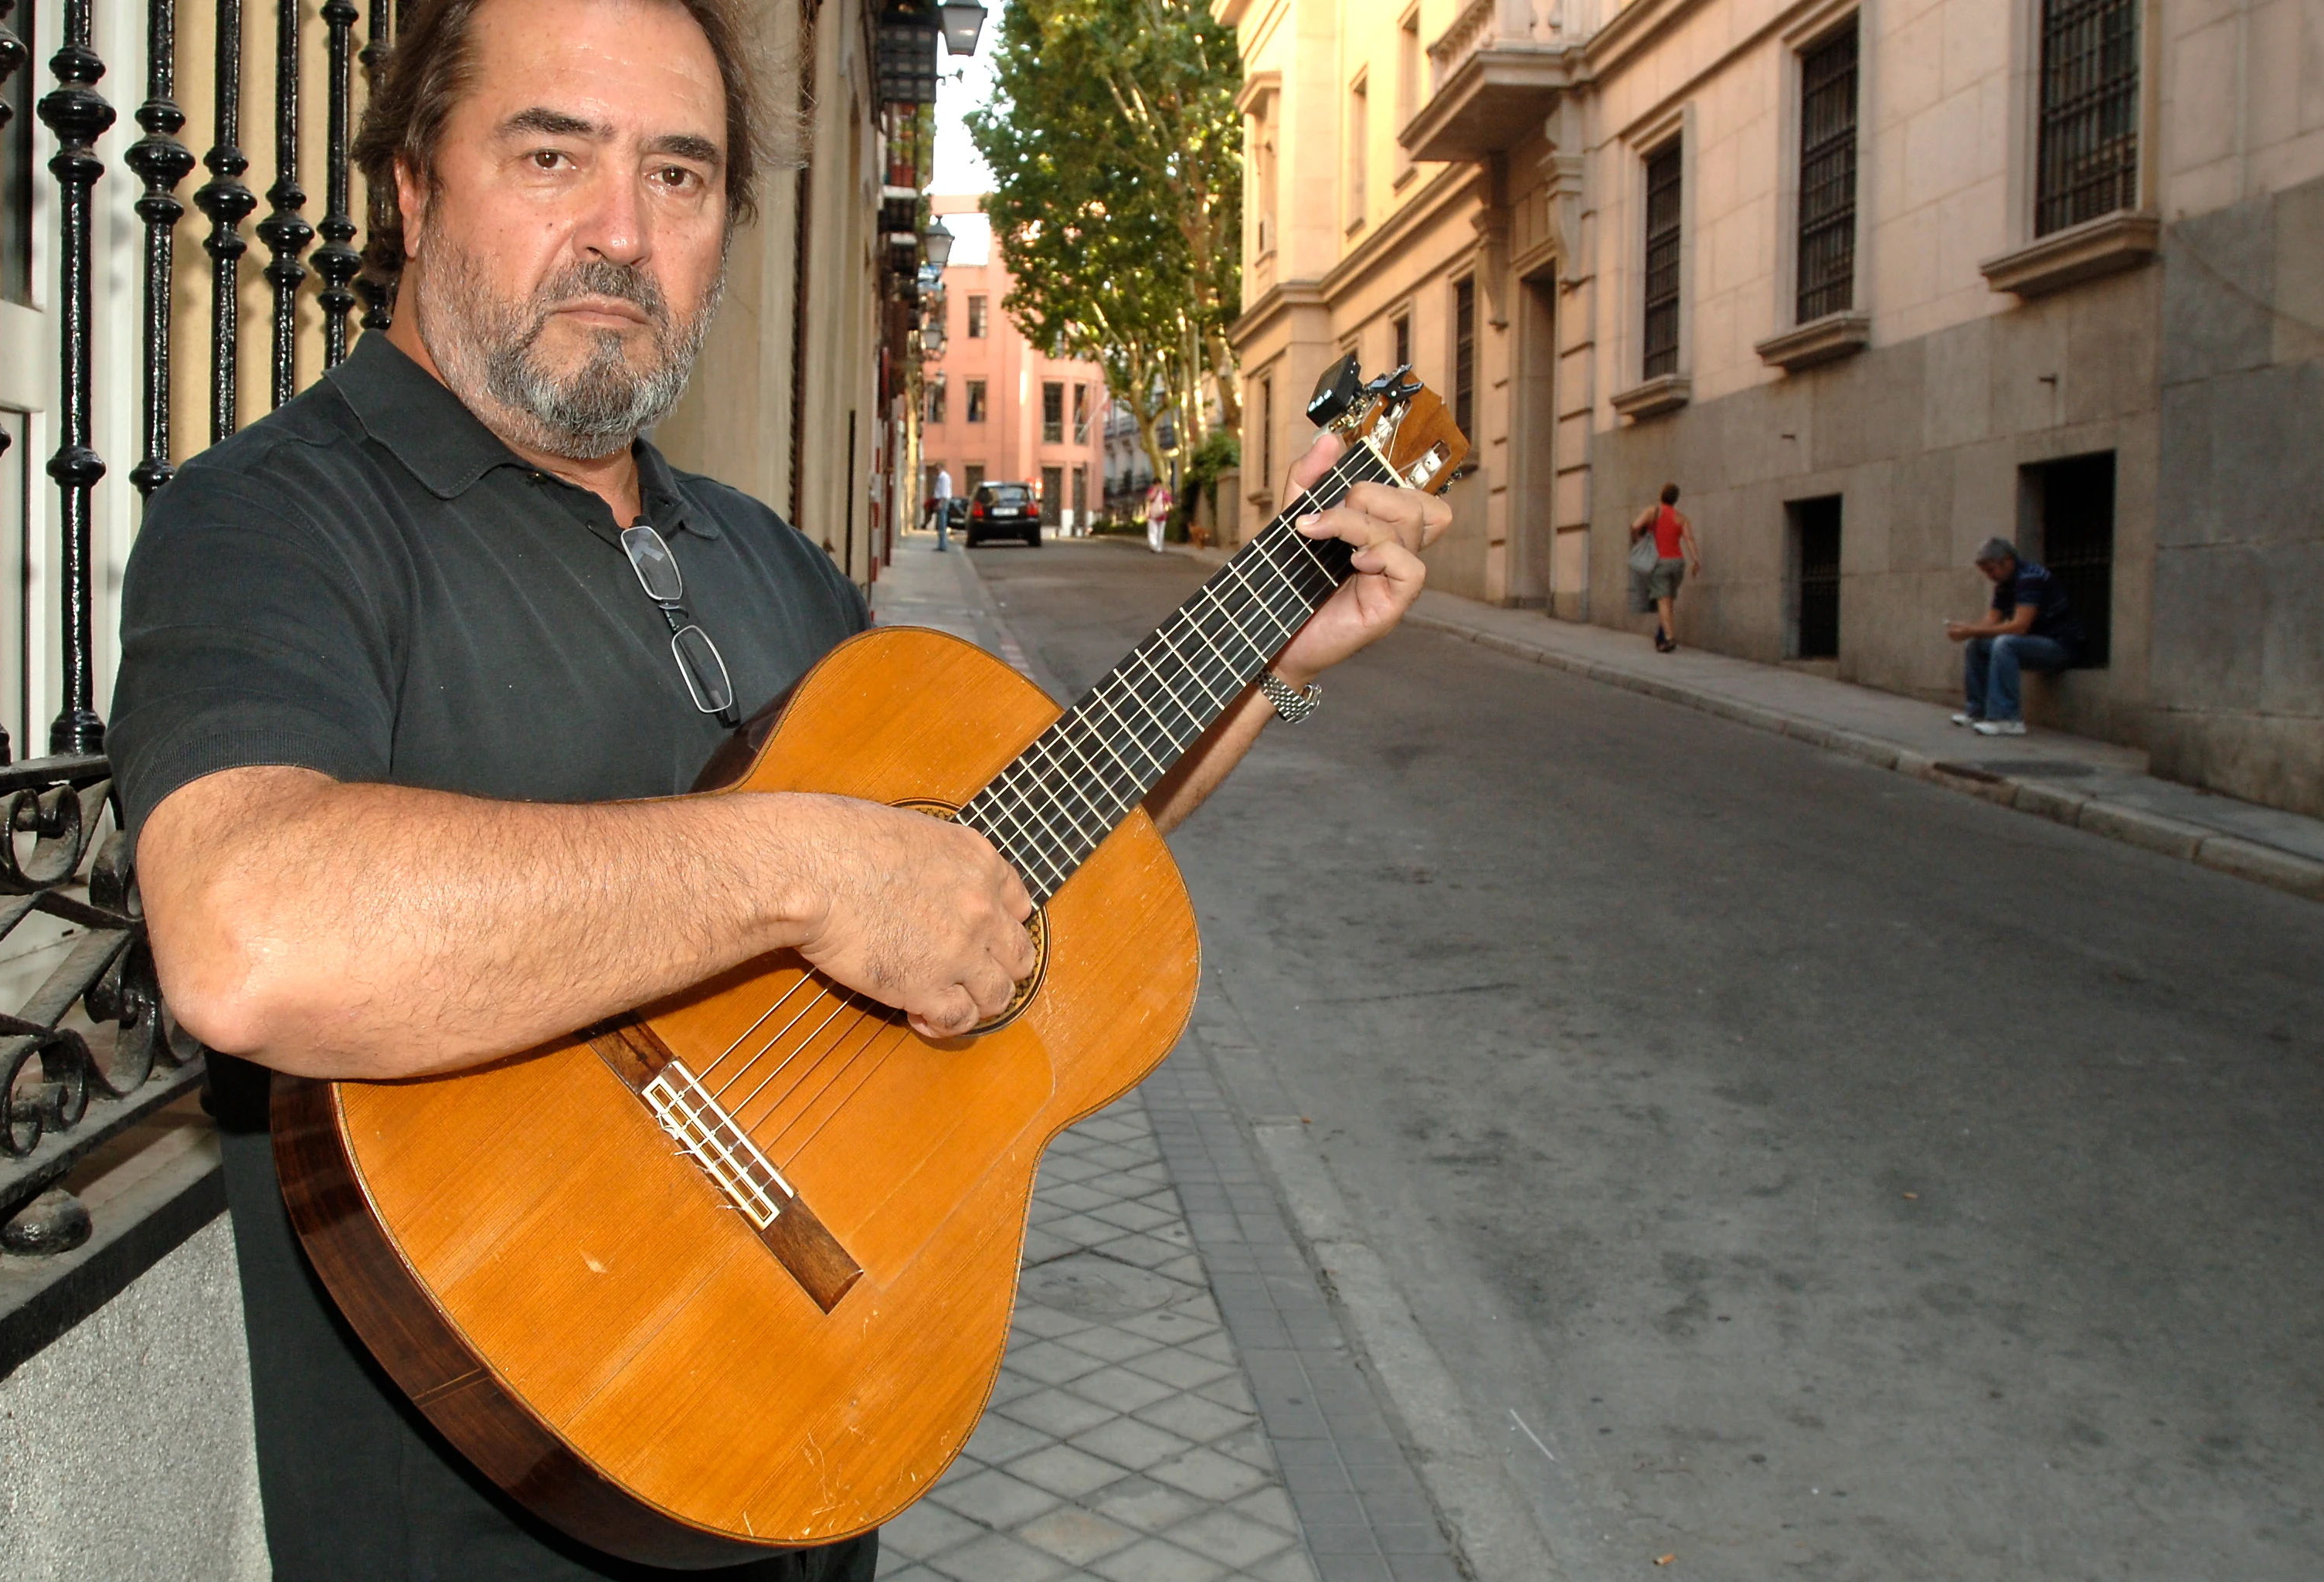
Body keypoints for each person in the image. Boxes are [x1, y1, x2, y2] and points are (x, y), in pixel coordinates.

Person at [103, 2, 1450, 1577]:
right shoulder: (277, 519)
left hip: (814, 1454)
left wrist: (1269, 648)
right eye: (554, 154)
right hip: (498, 1513)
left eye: (678, 177)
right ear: (412, 186)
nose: (621, 231)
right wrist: (806, 868)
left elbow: (998, 859)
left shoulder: (759, 554)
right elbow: (248, 934)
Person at [1946, 536, 2083, 736]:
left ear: (2007, 560)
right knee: (1977, 644)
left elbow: (2020, 626)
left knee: (2005, 643)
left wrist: (1972, 630)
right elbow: (1991, 621)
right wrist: (1967, 628)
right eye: (1986, 572)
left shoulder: (2030, 578)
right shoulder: (2004, 584)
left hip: (2060, 646)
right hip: (2034, 643)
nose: (1990, 576)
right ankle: (1978, 711)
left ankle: (2007, 718)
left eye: (1991, 570)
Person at [1631, 483, 1699, 651]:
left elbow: (1635, 526)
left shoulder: (1653, 512)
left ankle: (1669, 638)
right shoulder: (1681, 518)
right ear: (1675, 500)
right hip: (1678, 563)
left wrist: (1638, 540)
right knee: (1667, 600)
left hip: (1660, 562)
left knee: (1663, 600)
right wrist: (1696, 561)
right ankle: (1661, 635)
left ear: (1662, 495)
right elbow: (1689, 540)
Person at [929, 463, 953, 551]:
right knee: (940, 524)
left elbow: (944, 492)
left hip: (942, 501)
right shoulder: (941, 477)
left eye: (937, 469)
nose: (936, 471)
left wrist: (940, 503)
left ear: (941, 468)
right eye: (935, 469)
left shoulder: (944, 477)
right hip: (940, 501)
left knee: (942, 524)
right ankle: (941, 545)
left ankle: (943, 545)